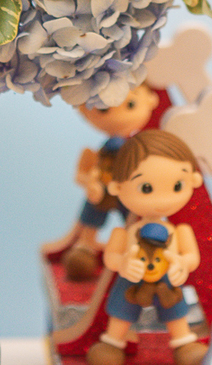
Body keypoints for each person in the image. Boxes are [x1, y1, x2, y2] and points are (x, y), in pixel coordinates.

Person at [86, 129, 206, 365]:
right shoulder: (124, 232)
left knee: (175, 311)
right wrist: (123, 263)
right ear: (118, 187)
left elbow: (192, 257)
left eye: (177, 186)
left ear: (194, 180)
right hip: (131, 280)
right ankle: (113, 342)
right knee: (121, 310)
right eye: (147, 188)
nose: (162, 199)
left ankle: (183, 342)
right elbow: (111, 258)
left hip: (168, 282)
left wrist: (182, 264)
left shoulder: (180, 231)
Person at [41, 83, 157, 281]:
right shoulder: (93, 154)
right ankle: (85, 247)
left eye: (130, 105)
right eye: (104, 109)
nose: (119, 117)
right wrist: (90, 183)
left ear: (151, 101)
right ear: (84, 109)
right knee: (90, 221)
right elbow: (80, 174)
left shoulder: (140, 153)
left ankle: (135, 250)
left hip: (128, 198)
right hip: (100, 196)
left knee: (133, 225)